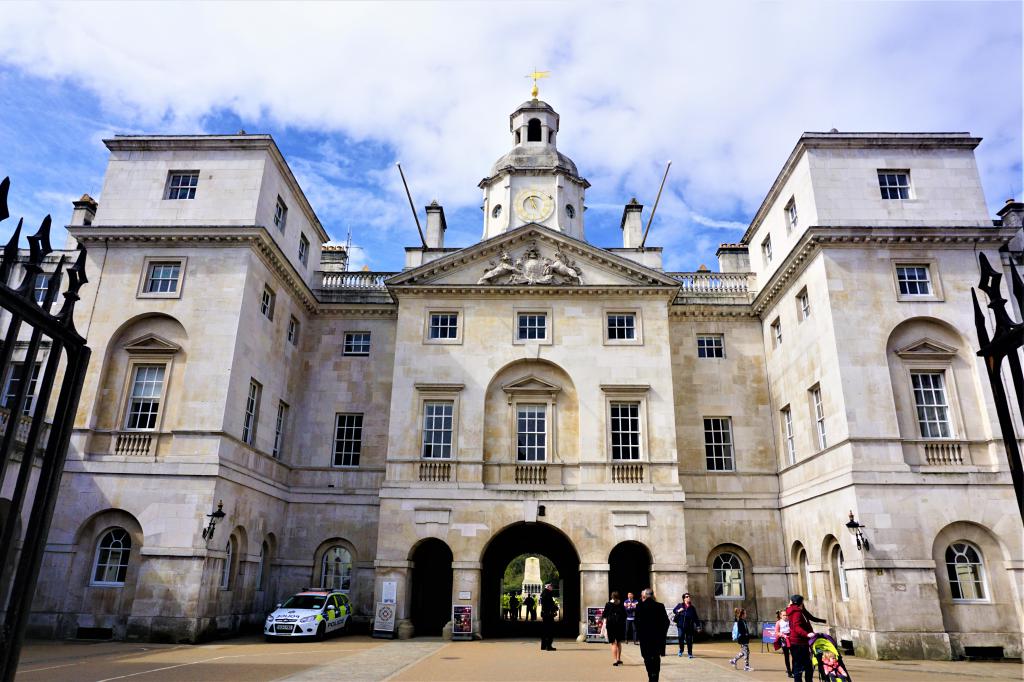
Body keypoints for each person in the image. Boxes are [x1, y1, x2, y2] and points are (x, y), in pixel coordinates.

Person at [634, 588, 669, 682]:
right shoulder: (660, 606)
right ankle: (655, 676)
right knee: (656, 658)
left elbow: (636, 623)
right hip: (657, 638)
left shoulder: (639, 606)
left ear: (644, 596)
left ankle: (651, 675)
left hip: (645, 638)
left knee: (647, 657)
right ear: (653, 595)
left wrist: (640, 634)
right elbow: (666, 622)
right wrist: (662, 634)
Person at [786, 595, 815, 682]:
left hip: (801, 643)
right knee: (802, 667)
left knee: (805, 666)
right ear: (800, 603)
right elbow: (797, 627)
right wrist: (807, 634)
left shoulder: (797, 610)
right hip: (799, 643)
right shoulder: (797, 613)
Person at [602, 591, 628, 666]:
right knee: (619, 642)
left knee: (613, 643)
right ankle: (619, 659)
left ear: (611, 597)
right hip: (619, 625)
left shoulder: (608, 604)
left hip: (610, 625)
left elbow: (604, 614)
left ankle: (615, 660)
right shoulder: (621, 604)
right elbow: (625, 615)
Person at [671, 592, 699, 658]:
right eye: (686, 596)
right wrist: (678, 610)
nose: (688, 597)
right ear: (684, 599)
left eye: (689, 596)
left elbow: (695, 617)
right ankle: (681, 650)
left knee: (689, 640)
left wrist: (698, 626)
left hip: (689, 626)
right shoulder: (680, 605)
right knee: (680, 637)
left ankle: (690, 653)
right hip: (680, 626)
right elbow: (674, 610)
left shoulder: (692, 608)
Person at [729, 607, 753, 672]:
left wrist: (747, 634)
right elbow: (741, 630)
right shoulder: (739, 621)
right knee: (746, 653)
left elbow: (746, 629)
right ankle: (746, 667)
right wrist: (745, 634)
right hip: (742, 639)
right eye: (745, 613)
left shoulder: (744, 621)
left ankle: (734, 660)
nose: (746, 615)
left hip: (745, 638)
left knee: (744, 652)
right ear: (742, 615)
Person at [774, 609, 792, 678]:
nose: (785, 616)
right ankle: (789, 671)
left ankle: (793, 670)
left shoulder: (790, 621)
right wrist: (783, 635)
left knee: (794, 655)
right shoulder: (778, 622)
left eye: (786, 615)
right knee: (786, 655)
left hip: (791, 638)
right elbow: (776, 632)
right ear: (781, 616)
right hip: (784, 639)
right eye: (784, 615)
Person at [540, 583, 558, 651]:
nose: (552, 587)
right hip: (548, 614)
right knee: (549, 630)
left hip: (545, 614)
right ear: (548, 586)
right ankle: (549, 646)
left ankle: (543, 646)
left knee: (545, 630)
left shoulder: (544, 593)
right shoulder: (548, 593)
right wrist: (555, 608)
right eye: (551, 586)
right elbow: (549, 604)